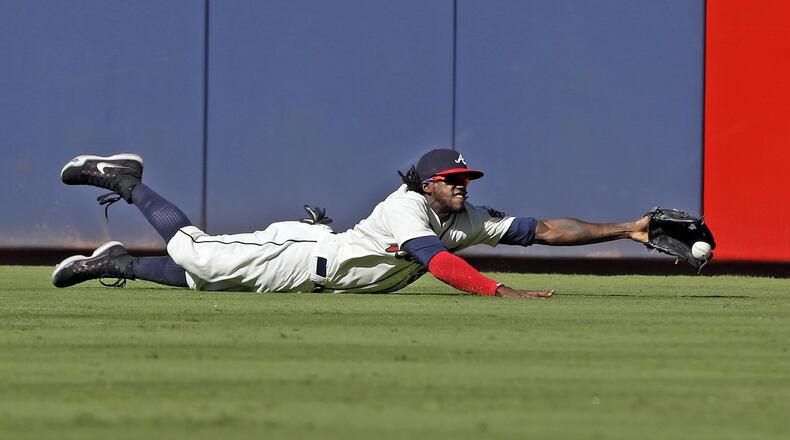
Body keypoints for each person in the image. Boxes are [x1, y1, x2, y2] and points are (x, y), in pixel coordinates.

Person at [52, 149, 650, 298]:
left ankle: (110, 263)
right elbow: (435, 261)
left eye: (468, 179)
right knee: (199, 256)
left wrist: (627, 227)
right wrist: (502, 291)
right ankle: (125, 179)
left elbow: (543, 230)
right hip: (299, 254)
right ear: (427, 182)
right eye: (455, 178)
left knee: (202, 284)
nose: (465, 185)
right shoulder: (406, 207)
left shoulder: (463, 216)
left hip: (317, 275)